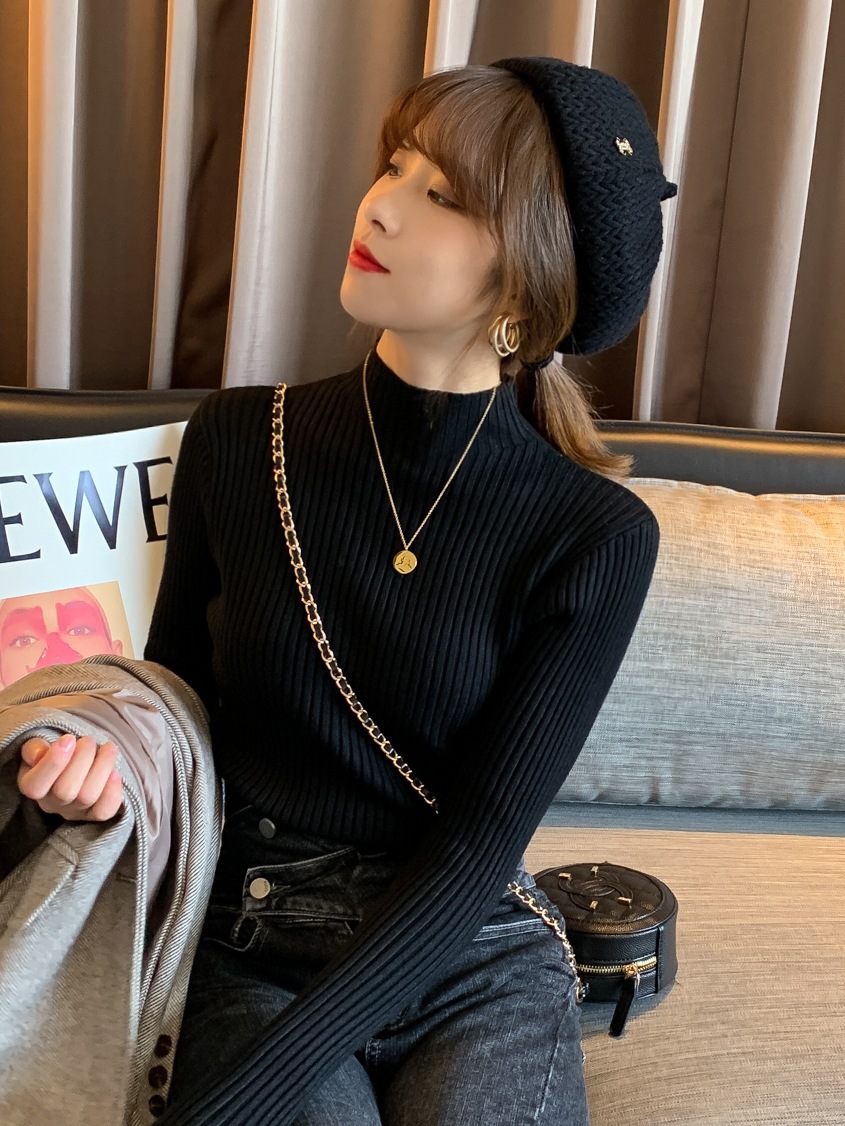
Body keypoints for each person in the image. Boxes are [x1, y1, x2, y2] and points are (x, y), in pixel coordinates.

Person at [17, 56, 676, 1125]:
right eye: (395, 163)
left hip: (466, 948)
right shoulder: (240, 440)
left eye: (442, 194)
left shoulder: (593, 536)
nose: (380, 204)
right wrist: (104, 773)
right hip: (254, 937)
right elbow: (177, 707)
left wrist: (246, 1096)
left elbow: (475, 849)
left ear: (526, 282)